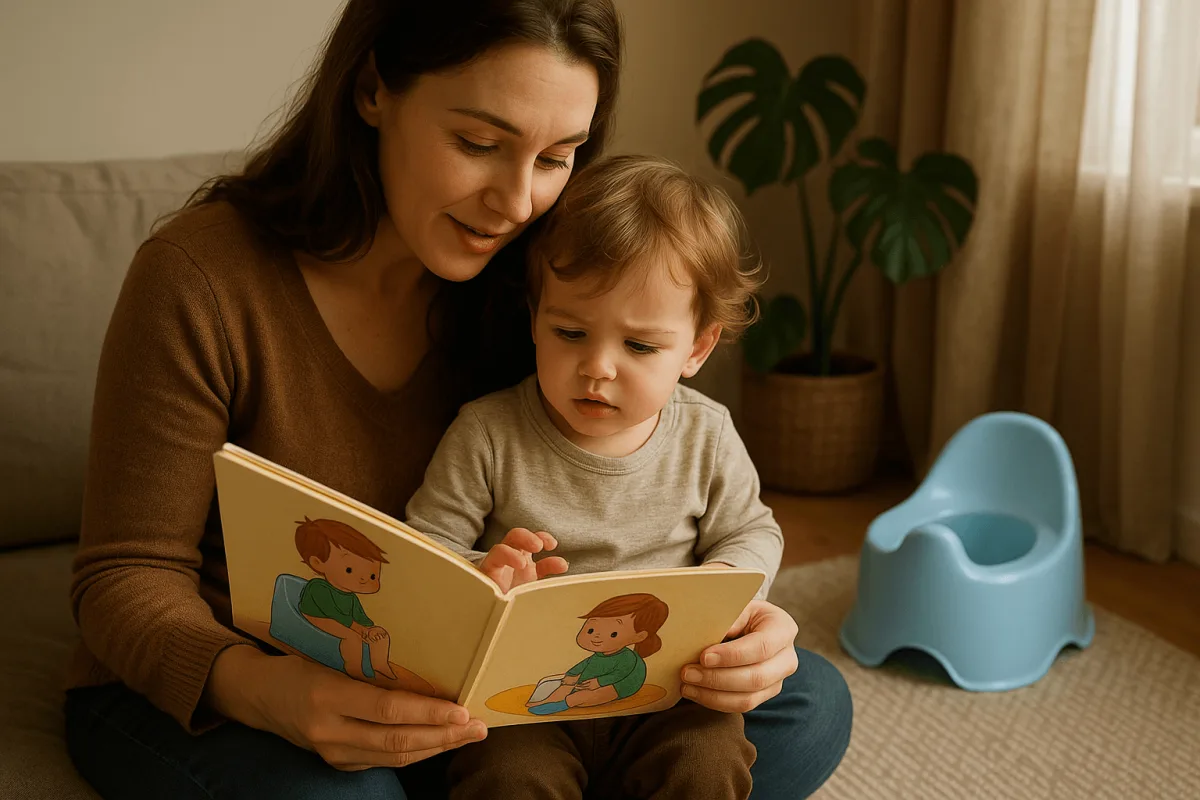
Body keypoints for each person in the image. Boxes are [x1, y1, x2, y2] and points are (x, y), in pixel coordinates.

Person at [61, 1, 852, 798]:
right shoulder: (200, 278)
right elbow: (124, 577)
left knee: (807, 701)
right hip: (231, 682)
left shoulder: (541, 285)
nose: (516, 203)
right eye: (479, 144)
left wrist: (753, 631)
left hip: (471, 695)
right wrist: (271, 694)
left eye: (556, 157)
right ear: (373, 90)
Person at [402, 153, 782, 798]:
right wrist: (482, 571)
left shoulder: (706, 433)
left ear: (696, 347)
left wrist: (727, 584)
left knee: (709, 761)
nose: (598, 368)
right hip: (526, 699)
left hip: (669, 692)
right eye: (571, 331)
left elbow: (753, 529)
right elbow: (423, 547)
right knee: (506, 776)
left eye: (639, 346)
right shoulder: (488, 432)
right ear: (534, 319)